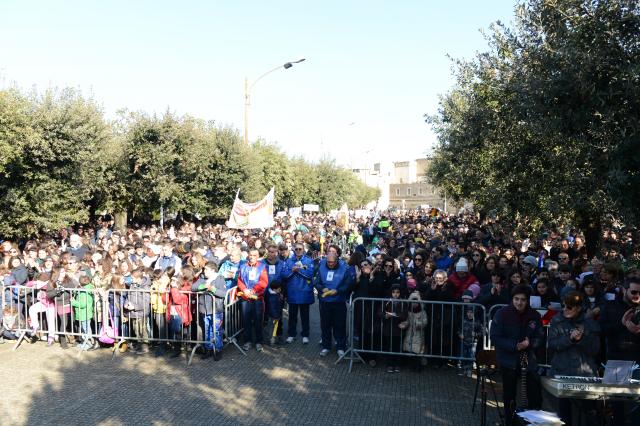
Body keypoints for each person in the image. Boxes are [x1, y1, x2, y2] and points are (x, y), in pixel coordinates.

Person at [491, 285, 543, 425]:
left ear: (527, 301)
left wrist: (530, 343)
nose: (519, 303)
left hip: (529, 360)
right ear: (512, 299)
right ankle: (510, 421)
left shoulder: (534, 315)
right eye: (516, 299)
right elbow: (495, 337)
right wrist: (515, 345)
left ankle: (533, 421)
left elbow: (540, 337)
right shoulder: (502, 313)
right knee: (509, 395)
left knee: (535, 395)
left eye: (523, 300)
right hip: (509, 360)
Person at [548, 291, 600, 426]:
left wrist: (581, 339)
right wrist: (570, 339)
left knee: (588, 415)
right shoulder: (556, 320)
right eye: (563, 306)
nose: (565, 309)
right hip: (562, 372)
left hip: (585, 375)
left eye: (569, 307)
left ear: (578, 308)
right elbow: (553, 345)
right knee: (563, 416)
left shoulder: (590, 324)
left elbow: (595, 350)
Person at [599, 277, 640, 426]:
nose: (637, 296)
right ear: (624, 290)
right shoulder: (610, 306)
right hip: (616, 360)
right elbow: (601, 330)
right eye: (634, 292)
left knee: (637, 409)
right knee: (617, 407)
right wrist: (621, 324)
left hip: (638, 360)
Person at [314, 253, 352, 358]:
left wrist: (338, 290)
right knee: (325, 325)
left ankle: (341, 347)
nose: (330, 264)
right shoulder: (322, 267)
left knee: (340, 325)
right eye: (328, 262)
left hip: (339, 301)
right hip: (325, 302)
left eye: (332, 262)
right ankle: (326, 346)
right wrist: (322, 288)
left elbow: (348, 283)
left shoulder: (344, 268)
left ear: (337, 261)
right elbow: (316, 282)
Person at [192, 261, 226, 360]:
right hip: (204, 309)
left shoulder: (220, 278)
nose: (204, 271)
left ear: (212, 270)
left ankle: (218, 349)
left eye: (206, 269)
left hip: (216, 309)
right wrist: (203, 286)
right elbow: (193, 287)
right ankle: (208, 349)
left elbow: (223, 293)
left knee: (216, 330)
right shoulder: (202, 277)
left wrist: (212, 289)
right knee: (207, 330)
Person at [237, 248, 268, 352]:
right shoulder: (243, 267)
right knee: (246, 321)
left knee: (258, 321)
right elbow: (240, 281)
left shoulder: (262, 267)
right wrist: (245, 289)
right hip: (245, 298)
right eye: (250, 255)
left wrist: (253, 290)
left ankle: (259, 342)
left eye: (254, 255)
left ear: (258, 256)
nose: (252, 257)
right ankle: (247, 341)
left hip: (257, 298)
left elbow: (264, 282)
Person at [378, 284, 407, 373]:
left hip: (398, 328)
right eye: (393, 292)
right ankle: (389, 364)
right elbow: (379, 312)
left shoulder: (403, 302)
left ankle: (397, 364)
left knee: (397, 347)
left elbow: (405, 314)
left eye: (397, 292)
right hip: (388, 328)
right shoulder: (387, 301)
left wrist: (398, 315)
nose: (395, 294)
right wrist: (385, 315)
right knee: (389, 347)